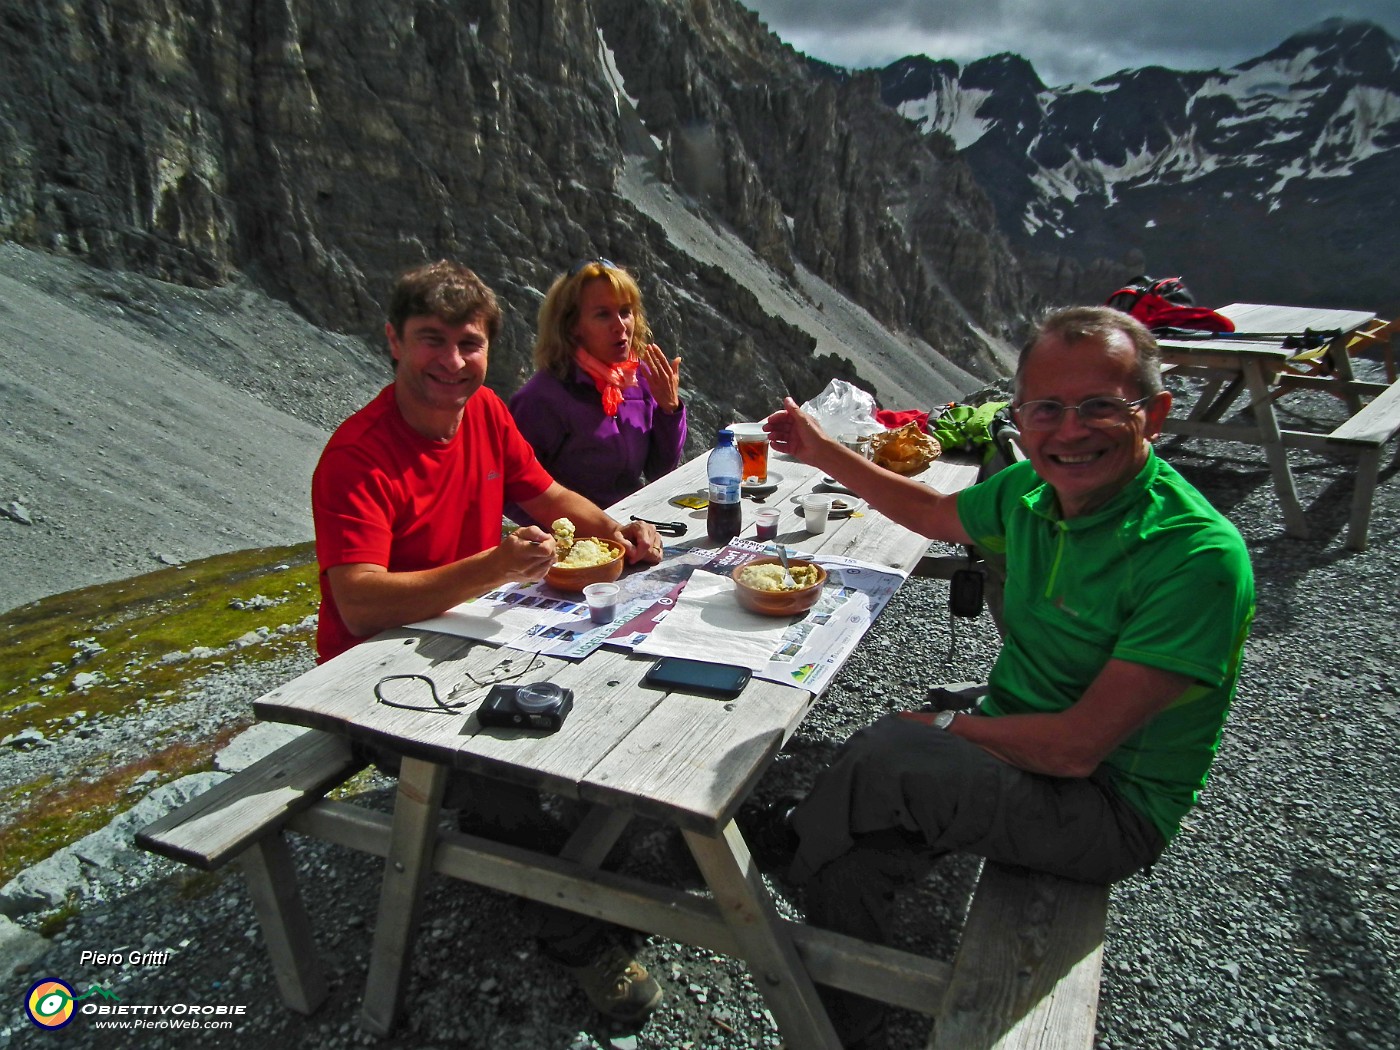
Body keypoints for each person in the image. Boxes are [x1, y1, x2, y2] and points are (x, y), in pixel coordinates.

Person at [758, 306, 1255, 1048]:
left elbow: (1074, 751)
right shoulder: (1031, 495)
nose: (1069, 431)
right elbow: (930, 510)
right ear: (1020, 416)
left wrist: (943, 728)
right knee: (858, 855)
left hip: (1109, 805)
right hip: (1029, 730)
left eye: (1100, 408)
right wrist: (822, 449)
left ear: (1154, 414)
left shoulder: (1194, 558)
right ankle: (848, 1000)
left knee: (890, 751)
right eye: (1047, 409)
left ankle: (793, 844)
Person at [311, 259, 666, 1023]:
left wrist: (617, 528)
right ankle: (577, 938)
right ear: (393, 343)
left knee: (620, 688)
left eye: (469, 344)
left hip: (471, 635)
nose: (452, 362)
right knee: (497, 771)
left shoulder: (485, 416)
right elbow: (360, 602)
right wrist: (494, 566)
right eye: (430, 340)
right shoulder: (358, 456)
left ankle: (597, 838)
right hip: (373, 677)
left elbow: (546, 493)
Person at [508, 259, 685, 518]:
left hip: (632, 527)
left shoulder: (638, 380)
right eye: (603, 314)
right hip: (577, 546)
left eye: (626, 311)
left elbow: (659, 472)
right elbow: (513, 494)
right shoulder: (541, 399)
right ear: (572, 327)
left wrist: (669, 410)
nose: (620, 325)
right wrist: (573, 536)